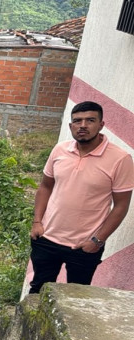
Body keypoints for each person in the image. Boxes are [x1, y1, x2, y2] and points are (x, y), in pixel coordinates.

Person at [28, 100, 134, 293]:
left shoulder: (120, 159)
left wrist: (97, 241)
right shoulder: (60, 150)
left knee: (77, 297)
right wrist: (37, 222)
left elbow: (121, 206)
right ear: (71, 126)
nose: (83, 125)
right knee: (37, 290)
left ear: (101, 125)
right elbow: (45, 186)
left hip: (84, 245)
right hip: (47, 237)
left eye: (90, 120)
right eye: (77, 121)